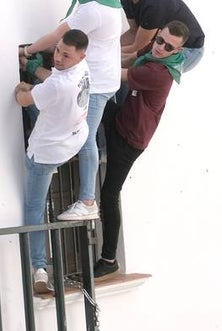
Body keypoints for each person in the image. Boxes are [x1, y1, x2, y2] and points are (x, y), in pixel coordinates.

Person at [94, 21, 188, 279]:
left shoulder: (160, 73)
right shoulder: (152, 50)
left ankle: (109, 259)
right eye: (160, 40)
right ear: (157, 35)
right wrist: (101, 52)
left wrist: (87, 59)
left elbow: (118, 73)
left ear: (177, 51)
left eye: (168, 46)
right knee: (94, 106)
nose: (160, 47)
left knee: (110, 193)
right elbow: (128, 57)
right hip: (123, 117)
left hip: (130, 139)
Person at [22, 0, 124, 223]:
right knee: (79, 131)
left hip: (95, 84)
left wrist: (26, 50)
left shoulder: (92, 10)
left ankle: (87, 200)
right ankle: (57, 168)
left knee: (86, 137)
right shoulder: (111, 5)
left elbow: (57, 35)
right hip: (102, 79)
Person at [16, 29, 91, 295]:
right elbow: (51, 84)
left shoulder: (59, 86)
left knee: (34, 209)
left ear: (80, 55)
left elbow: (23, 99)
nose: (58, 58)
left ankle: (39, 268)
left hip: (46, 153)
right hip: (73, 137)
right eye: (58, 50)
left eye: (65, 55)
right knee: (42, 105)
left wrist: (22, 89)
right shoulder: (82, 68)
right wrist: (36, 77)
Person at [121, 0, 204, 72]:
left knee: (141, 73)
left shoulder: (155, 5)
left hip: (187, 49)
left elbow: (138, 47)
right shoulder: (127, 1)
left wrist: (112, 51)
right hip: (163, 42)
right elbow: (133, 32)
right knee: (122, 63)